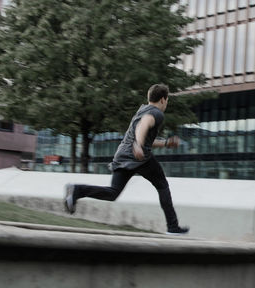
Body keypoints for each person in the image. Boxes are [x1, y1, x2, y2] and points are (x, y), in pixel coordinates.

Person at [64, 84, 189, 235]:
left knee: (113, 193)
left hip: (123, 155)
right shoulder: (156, 113)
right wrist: (138, 144)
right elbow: (143, 126)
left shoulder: (142, 109)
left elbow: (144, 133)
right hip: (140, 157)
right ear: (163, 99)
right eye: (167, 100)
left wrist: (166, 143)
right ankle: (172, 226)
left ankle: (77, 190)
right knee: (162, 185)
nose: (166, 104)